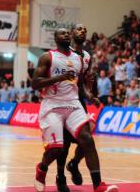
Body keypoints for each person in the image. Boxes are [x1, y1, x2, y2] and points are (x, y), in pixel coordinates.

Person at [32, 28, 117, 192]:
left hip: (73, 103)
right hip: (52, 105)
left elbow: (79, 85)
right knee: (56, 149)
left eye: (67, 33)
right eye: (61, 33)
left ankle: (98, 185)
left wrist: (89, 95)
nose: (66, 35)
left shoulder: (79, 59)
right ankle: (42, 169)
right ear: (56, 38)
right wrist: (60, 77)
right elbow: (35, 83)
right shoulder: (47, 57)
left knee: (87, 139)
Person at [55, 24, 102, 191]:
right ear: (72, 34)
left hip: (78, 102)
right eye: (79, 29)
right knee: (65, 144)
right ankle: (60, 176)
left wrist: (91, 94)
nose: (82, 31)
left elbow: (83, 85)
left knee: (86, 140)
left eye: (85, 30)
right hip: (61, 102)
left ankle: (74, 164)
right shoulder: (62, 53)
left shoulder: (87, 56)